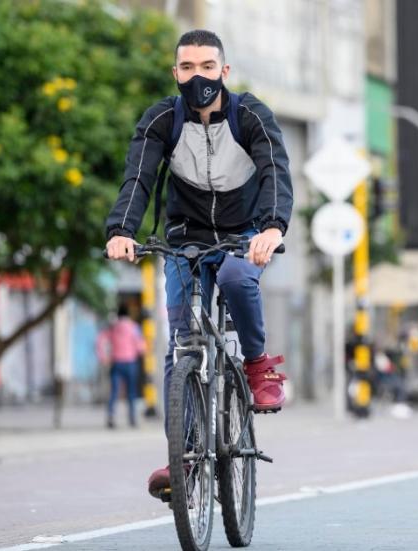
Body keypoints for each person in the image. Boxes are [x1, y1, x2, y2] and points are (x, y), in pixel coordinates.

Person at [103, 30, 293, 499]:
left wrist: (272, 228)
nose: (197, 77)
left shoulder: (250, 115)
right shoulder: (162, 119)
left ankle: (255, 364)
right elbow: (139, 177)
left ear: (224, 72)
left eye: (207, 67)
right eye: (187, 68)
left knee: (234, 277)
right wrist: (121, 230)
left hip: (244, 233)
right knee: (182, 344)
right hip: (184, 236)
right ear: (175, 73)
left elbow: (274, 170)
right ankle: (183, 457)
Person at [96, 304, 147, 428]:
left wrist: (103, 357)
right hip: (130, 363)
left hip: (116, 363)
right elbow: (140, 346)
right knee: (131, 392)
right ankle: (132, 418)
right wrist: (142, 351)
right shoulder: (134, 327)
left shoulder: (113, 327)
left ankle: (111, 416)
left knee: (114, 392)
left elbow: (100, 340)